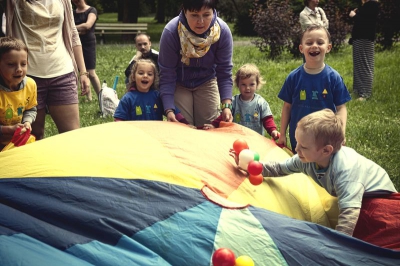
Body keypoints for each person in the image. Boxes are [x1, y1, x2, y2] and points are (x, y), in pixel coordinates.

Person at [230, 109, 399, 249]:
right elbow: (279, 168)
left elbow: (349, 215)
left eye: (303, 147)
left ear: (326, 150)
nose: (296, 149)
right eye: (297, 143)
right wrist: (249, 165)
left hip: (379, 200)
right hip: (355, 198)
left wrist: (337, 248)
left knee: (375, 241)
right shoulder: (306, 159)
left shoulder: (346, 172)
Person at [5, 0, 90, 140]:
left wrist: (83, 72)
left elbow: (73, 33)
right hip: (26, 77)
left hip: (62, 72)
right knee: (33, 137)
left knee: (72, 136)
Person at [158, 0, 234, 127]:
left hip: (207, 81)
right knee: (183, 127)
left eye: (206, 15)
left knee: (211, 127)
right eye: (194, 15)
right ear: (184, 11)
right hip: (179, 83)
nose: (201, 21)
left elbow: (224, 71)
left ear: (214, 12)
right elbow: (167, 73)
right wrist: (169, 109)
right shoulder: (171, 31)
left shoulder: (222, 31)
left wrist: (226, 105)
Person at [277, 25, 351, 153]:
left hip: (326, 138)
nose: (314, 45)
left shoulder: (334, 78)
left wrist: (341, 131)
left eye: (320, 42)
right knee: (301, 171)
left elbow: (341, 108)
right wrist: (282, 133)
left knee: (323, 170)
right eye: (309, 42)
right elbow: (287, 107)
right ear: (301, 48)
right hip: (299, 139)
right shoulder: (293, 77)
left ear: (328, 48)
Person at [203, 63, 279, 139]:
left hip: (256, 140)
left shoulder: (261, 103)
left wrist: (273, 130)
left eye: (251, 84)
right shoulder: (233, 102)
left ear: (257, 84)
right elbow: (224, 116)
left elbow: (267, 119)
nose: (247, 88)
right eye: (243, 84)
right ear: (238, 84)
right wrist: (214, 125)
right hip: (236, 139)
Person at [114, 59, 188, 124]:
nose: (145, 76)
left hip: (155, 136)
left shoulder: (158, 97)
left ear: (154, 78)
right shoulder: (127, 99)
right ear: (133, 77)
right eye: (141, 73)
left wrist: (186, 124)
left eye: (150, 74)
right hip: (136, 136)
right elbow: (118, 120)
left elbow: (175, 113)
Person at [0, 37, 37, 150]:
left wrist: (27, 122)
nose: (19, 69)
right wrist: (8, 129)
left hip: (17, 142)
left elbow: (31, 109)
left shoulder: (30, 85)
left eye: (23, 64)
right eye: (11, 64)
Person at [349, 0, 380, 101]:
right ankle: (357, 90)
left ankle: (365, 93)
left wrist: (354, 15)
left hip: (365, 39)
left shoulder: (373, 4)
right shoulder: (367, 5)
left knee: (364, 65)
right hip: (359, 39)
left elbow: (366, 23)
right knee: (358, 65)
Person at [72, 0, 102, 101]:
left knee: (91, 72)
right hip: (76, 44)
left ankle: (101, 96)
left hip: (88, 44)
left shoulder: (91, 10)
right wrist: (81, 29)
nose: (75, 1)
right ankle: (88, 97)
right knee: (81, 71)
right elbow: (83, 28)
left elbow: (88, 25)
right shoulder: (73, 12)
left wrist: (73, 28)